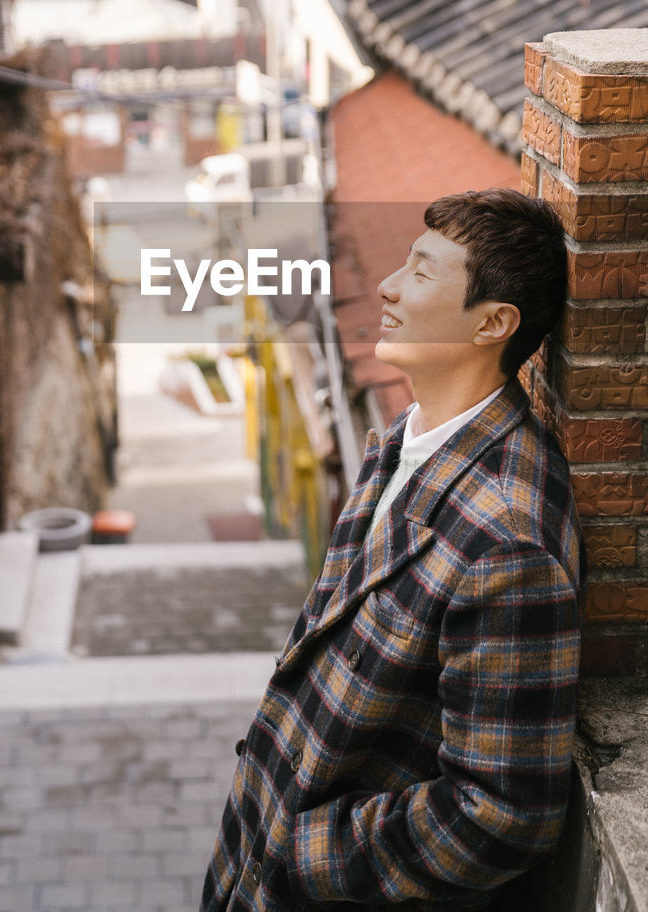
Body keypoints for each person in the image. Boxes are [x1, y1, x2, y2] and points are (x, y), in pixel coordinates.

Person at [202, 189, 584, 911]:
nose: (386, 286)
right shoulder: (400, 441)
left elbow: (503, 813)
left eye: (421, 271)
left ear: (492, 323)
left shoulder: (505, 545)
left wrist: (299, 852)